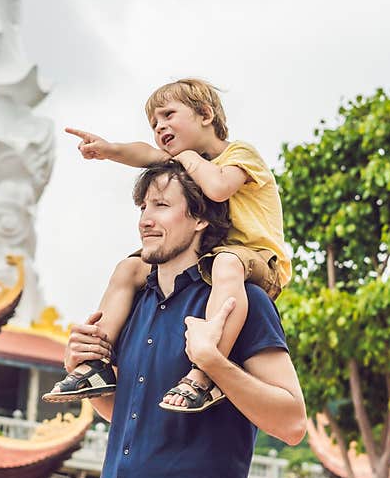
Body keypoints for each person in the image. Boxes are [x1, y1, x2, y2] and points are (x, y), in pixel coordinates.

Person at [43, 78, 291, 413]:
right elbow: (146, 154)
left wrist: (185, 156)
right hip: (215, 257)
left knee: (227, 263)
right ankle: (96, 363)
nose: (160, 126)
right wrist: (109, 150)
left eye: (168, 115)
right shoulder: (189, 163)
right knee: (129, 267)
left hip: (259, 258)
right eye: (154, 123)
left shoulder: (238, 154)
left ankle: (204, 373)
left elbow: (218, 189)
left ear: (205, 114)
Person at [71, 161, 306, 478]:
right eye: (143, 207)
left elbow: (292, 424)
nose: (145, 220)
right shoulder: (134, 303)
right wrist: (85, 374)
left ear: (200, 218)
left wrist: (213, 362)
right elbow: (125, 413)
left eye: (161, 206)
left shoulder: (242, 301)